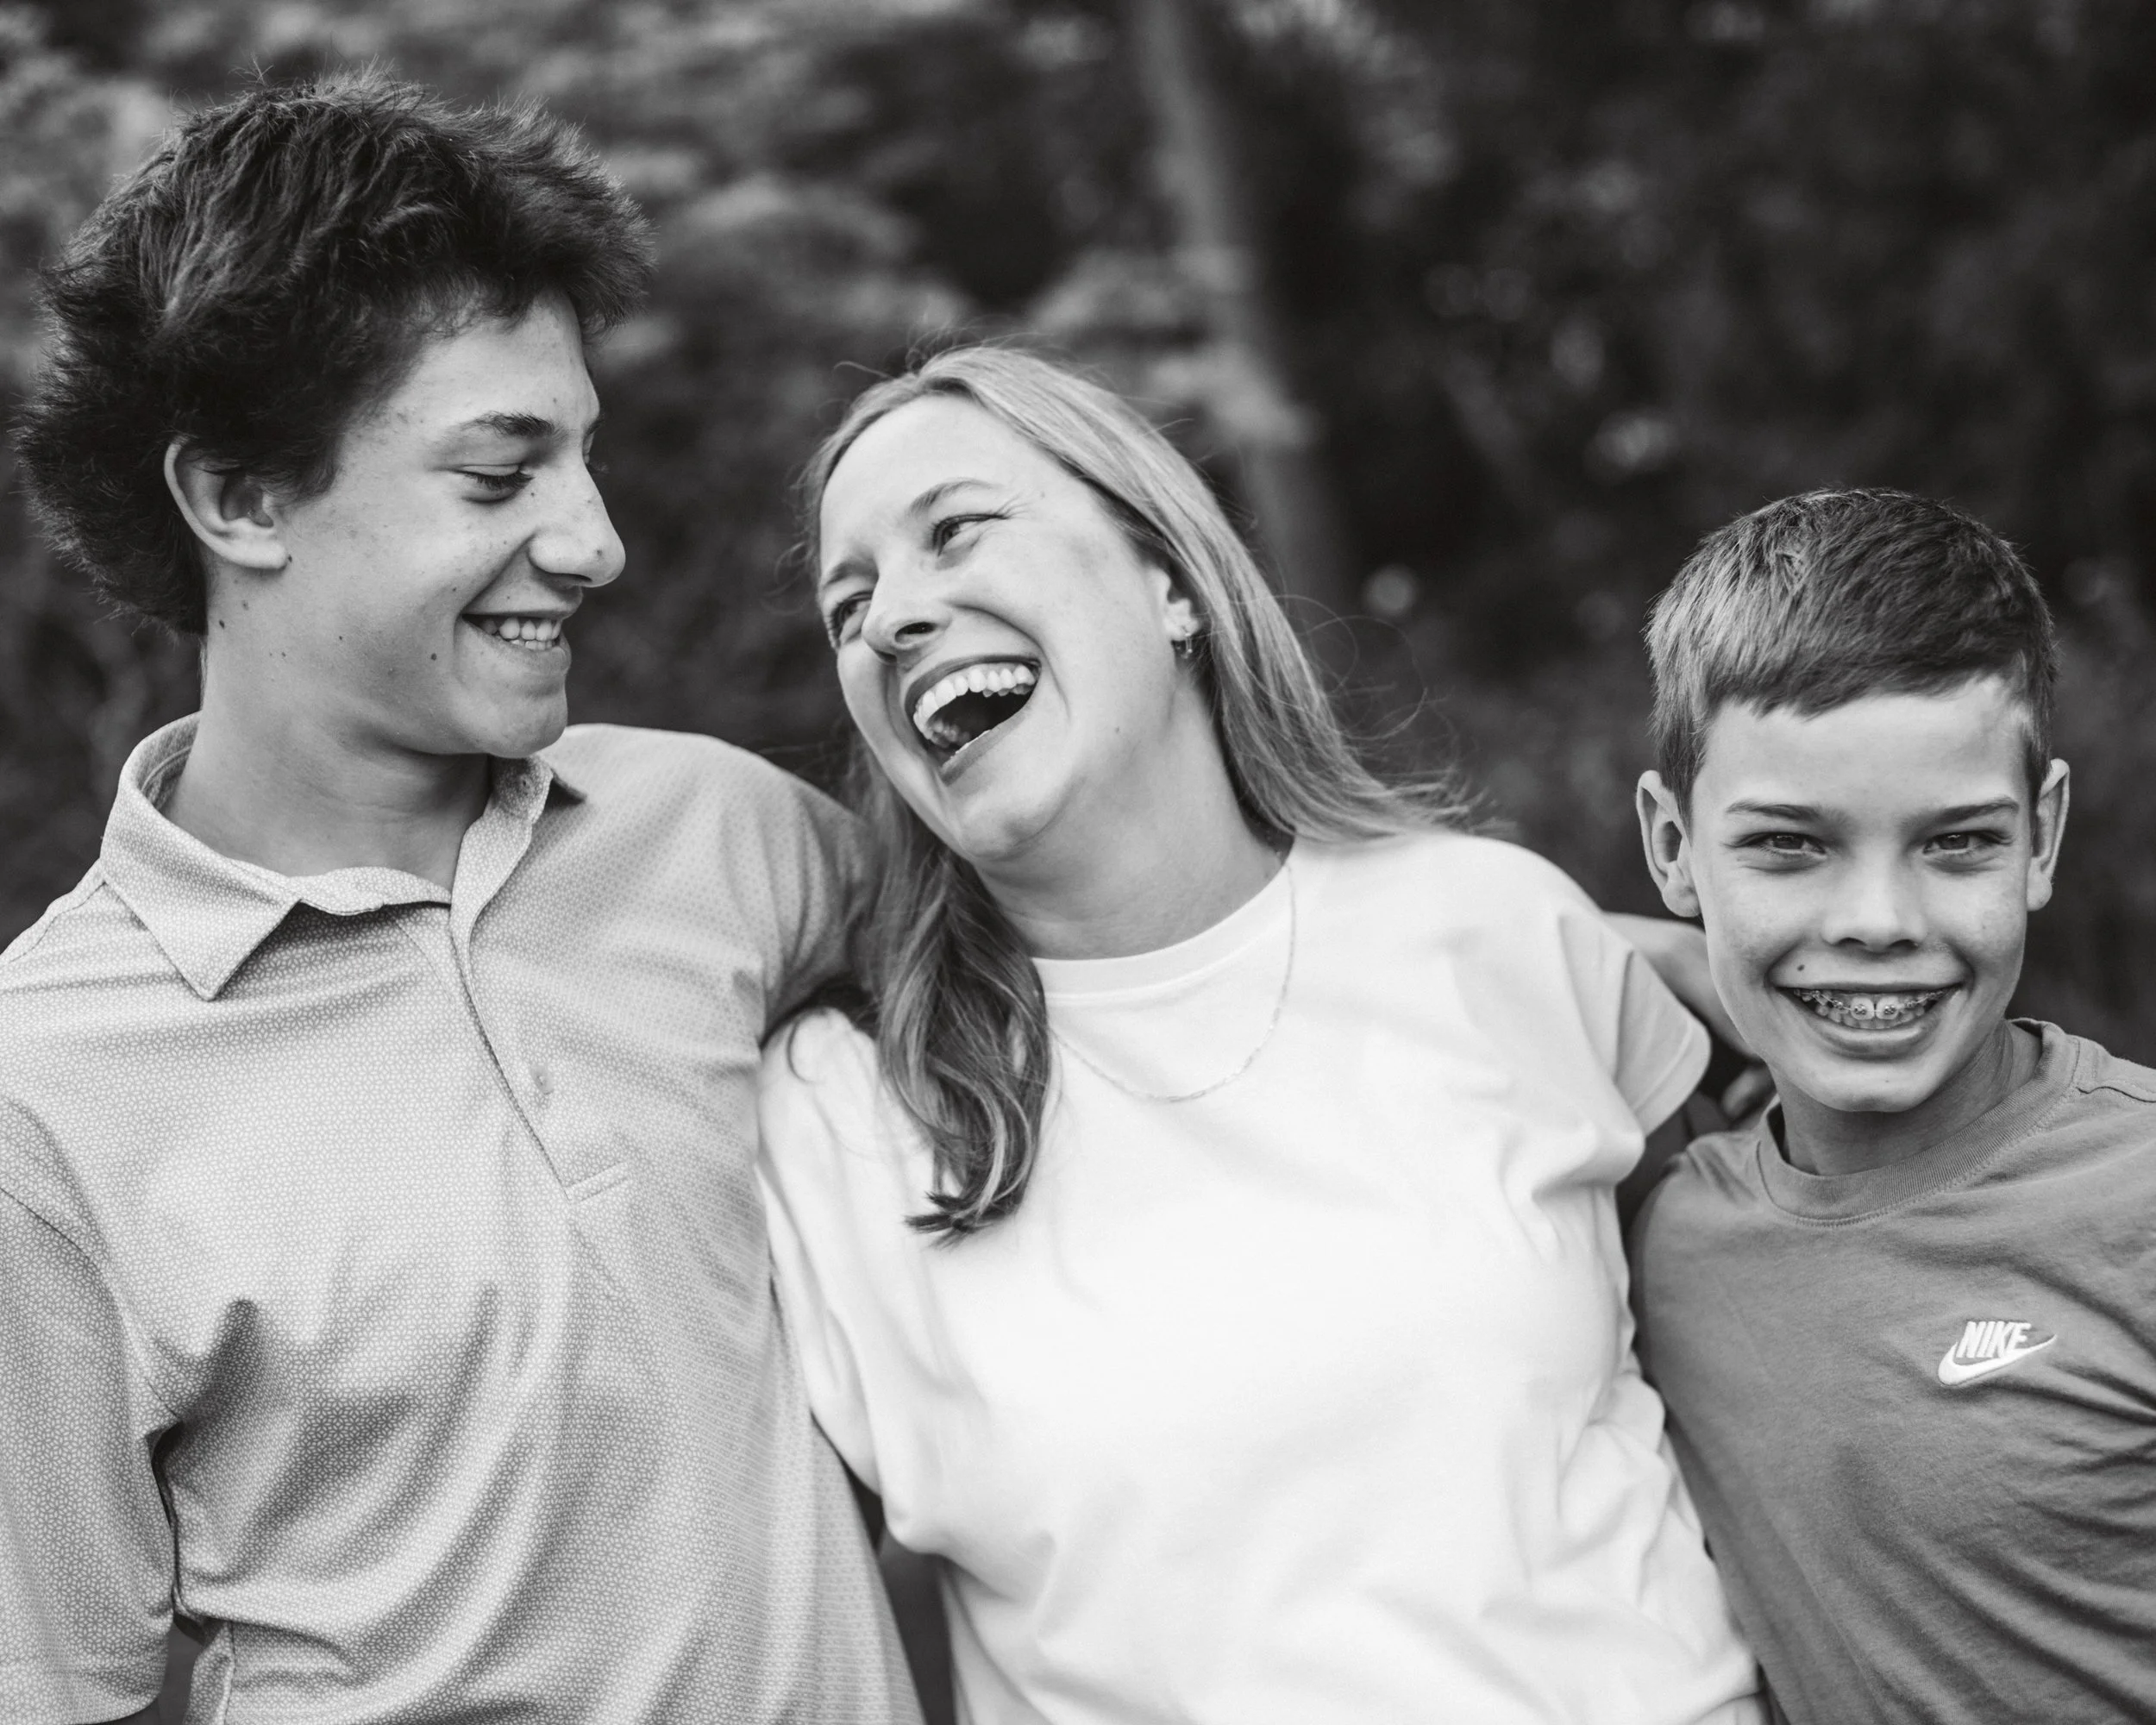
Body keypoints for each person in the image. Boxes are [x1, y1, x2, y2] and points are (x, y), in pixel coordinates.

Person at [0, 74, 918, 1723]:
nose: (596, 541)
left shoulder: (722, 834)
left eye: (583, 459)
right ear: (242, 502)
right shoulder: (42, 1102)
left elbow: (1058, 1010)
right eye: (500, 477)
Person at [755, 345, 1763, 1724]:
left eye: (958, 531)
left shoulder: (1493, 931)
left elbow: (1788, 1333)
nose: (890, 622)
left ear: (1169, 579)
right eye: (849, 602)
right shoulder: (837, 1120)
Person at [1628, 490, 2156, 1722]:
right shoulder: (1660, 1237)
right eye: (1787, 847)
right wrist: (1647, 962)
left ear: (2043, 836)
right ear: (1671, 846)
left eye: (1958, 842)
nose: (1880, 920)